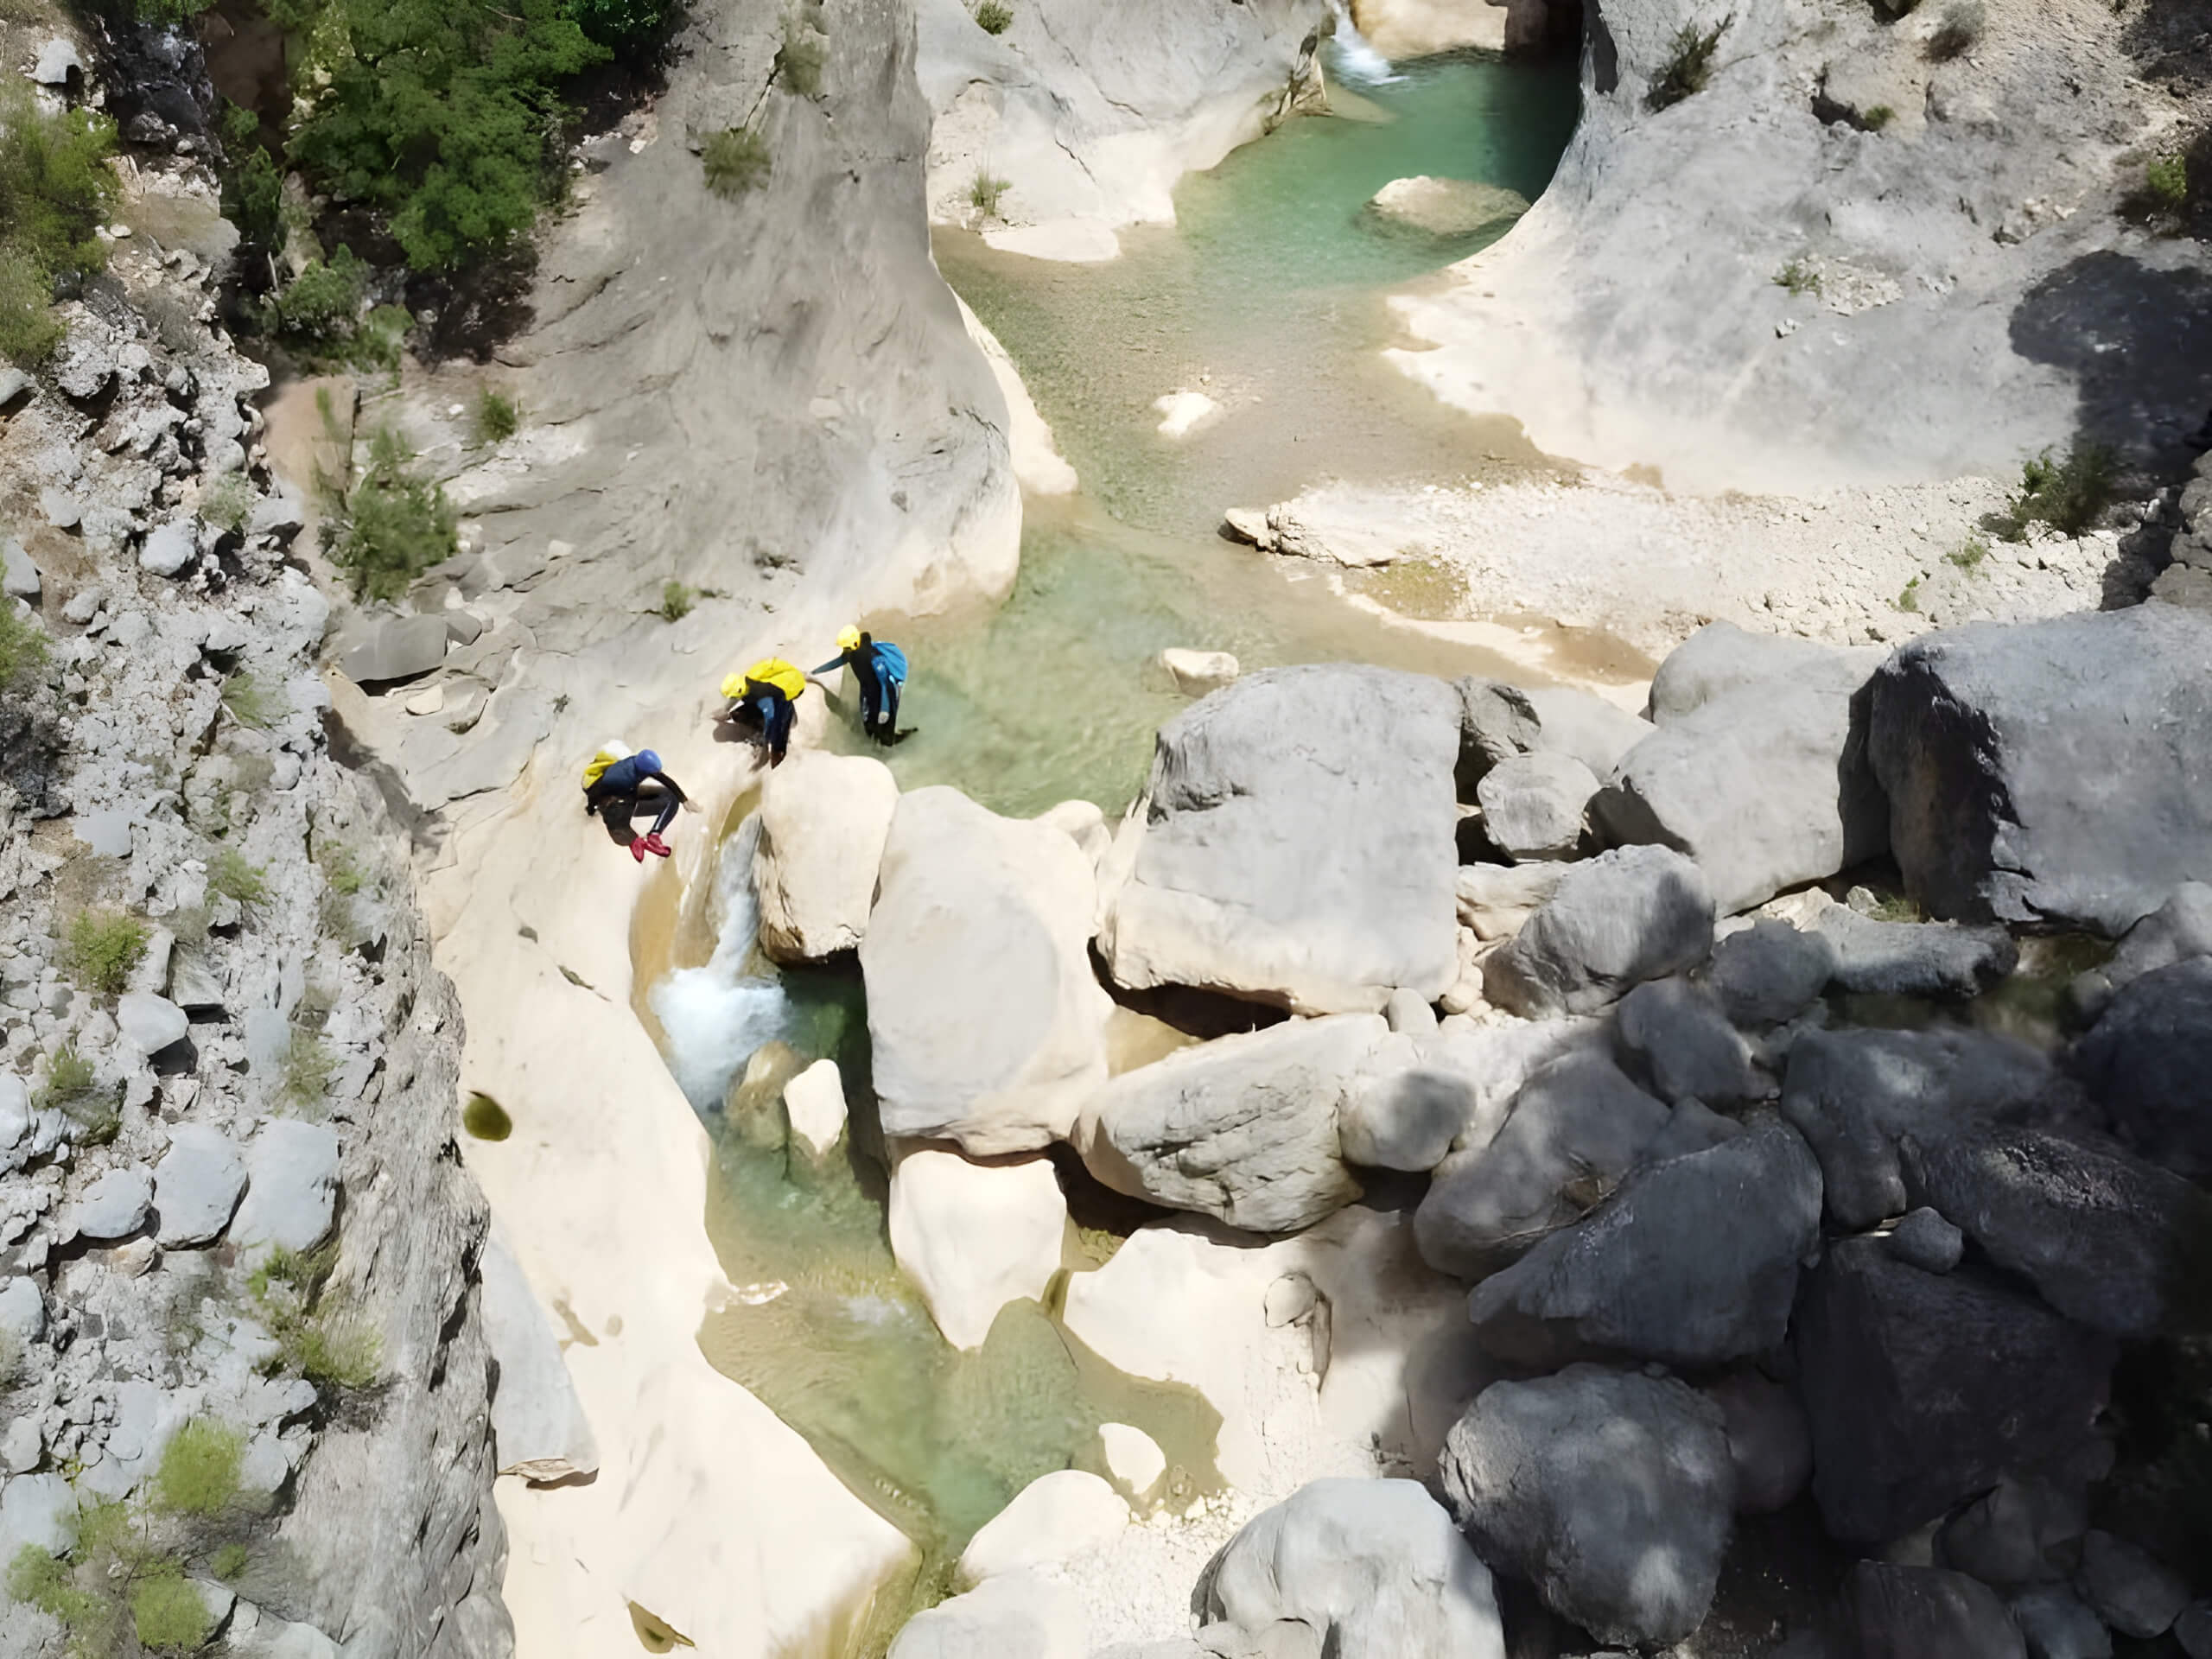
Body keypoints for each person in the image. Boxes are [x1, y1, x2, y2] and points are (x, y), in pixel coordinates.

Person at [582, 742, 690, 861]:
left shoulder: (639, 764)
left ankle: (654, 835)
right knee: (617, 816)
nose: (656, 775)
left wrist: (683, 799)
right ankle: (634, 840)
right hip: (609, 799)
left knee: (672, 799)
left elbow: (662, 778)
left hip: (623, 793)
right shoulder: (620, 777)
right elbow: (595, 793)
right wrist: (591, 809)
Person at [812, 626, 909, 745]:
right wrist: (814, 672)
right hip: (867, 692)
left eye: (846, 647)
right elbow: (837, 662)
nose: (845, 650)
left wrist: (885, 709)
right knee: (869, 727)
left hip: (885, 694)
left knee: (886, 733)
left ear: (855, 643)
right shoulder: (851, 652)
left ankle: (898, 739)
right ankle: (875, 743)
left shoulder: (874, 658)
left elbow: (885, 684)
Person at [720, 658, 807, 765]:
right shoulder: (748, 679)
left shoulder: (762, 691)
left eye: (733, 696)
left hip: (787, 701)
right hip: (784, 688)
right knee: (741, 712)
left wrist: (771, 746)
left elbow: (774, 715)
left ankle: (764, 740)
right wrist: (725, 710)